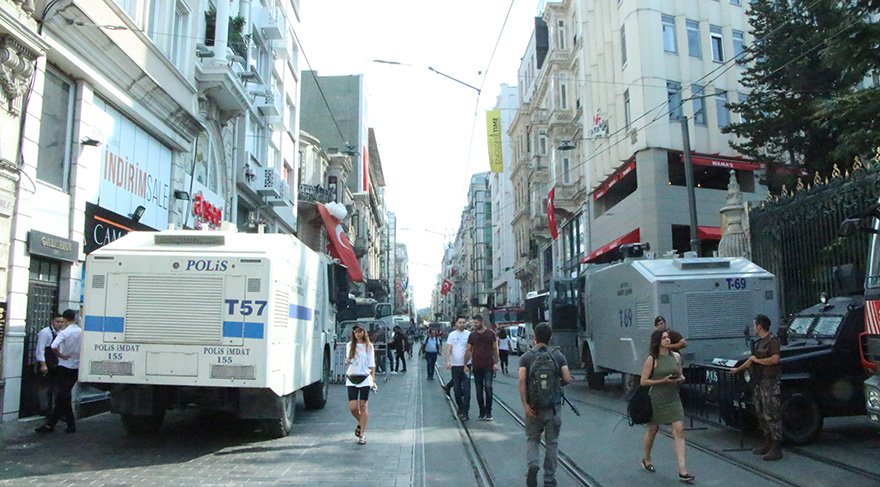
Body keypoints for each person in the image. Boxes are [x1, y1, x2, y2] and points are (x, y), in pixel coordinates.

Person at [519, 323, 572, 487]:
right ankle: (549, 478)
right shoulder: (558, 356)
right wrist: (556, 385)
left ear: (535, 337)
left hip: (534, 407)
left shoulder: (526, 357)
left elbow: (521, 380)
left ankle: (533, 466)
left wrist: (526, 405)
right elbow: (567, 378)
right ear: (550, 338)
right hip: (553, 407)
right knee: (552, 443)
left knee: (532, 439)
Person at [639, 329, 694, 483]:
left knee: (679, 431)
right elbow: (643, 381)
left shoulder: (676, 356)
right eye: (664, 338)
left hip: (673, 398)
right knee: (652, 430)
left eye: (668, 337)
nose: (668, 340)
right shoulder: (652, 359)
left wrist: (680, 379)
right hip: (657, 398)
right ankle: (646, 458)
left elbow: (680, 374)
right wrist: (661, 381)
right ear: (658, 342)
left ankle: (683, 470)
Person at [731, 314, 783, 461]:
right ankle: (767, 441)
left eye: (755, 325)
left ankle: (776, 445)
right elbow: (750, 361)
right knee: (760, 413)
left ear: (760, 326)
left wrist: (758, 361)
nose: (753, 328)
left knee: (771, 414)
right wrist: (737, 370)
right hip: (759, 382)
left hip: (770, 382)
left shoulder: (772, 340)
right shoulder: (759, 343)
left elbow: (775, 359)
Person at [36, 309, 81, 434]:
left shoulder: (64, 333)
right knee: (64, 396)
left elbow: (53, 346)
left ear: (65, 319)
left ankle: (54, 424)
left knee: (62, 396)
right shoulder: (81, 332)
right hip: (76, 367)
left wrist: (60, 355)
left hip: (64, 366)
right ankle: (60, 424)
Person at [345, 325, 378, 445]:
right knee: (353, 407)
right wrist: (347, 360)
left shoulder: (369, 346)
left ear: (364, 333)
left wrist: (373, 380)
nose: (357, 334)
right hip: (352, 377)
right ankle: (362, 423)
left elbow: (372, 364)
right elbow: (347, 360)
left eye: (359, 332)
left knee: (363, 406)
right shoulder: (349, 345)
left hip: (364, 378)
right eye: (355, 332)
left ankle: (362, 434)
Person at [466, 314, 499, 421]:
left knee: (488, 387)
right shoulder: (472, 335)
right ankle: (482, 412)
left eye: (476, 323)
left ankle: (489, 412)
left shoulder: (491, 334)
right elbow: (469, 349)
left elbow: (495, 348)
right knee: (479, 390)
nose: (474, 325)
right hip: (476, 366)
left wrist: (495, 362)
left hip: (488, 365)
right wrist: (469, 360)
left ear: (481, 322)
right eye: (474, 323)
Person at [34, 313, 65, 416]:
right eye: (58, 322)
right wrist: (43, 365)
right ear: (52, 321)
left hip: (56, 363)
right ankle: (44, 408)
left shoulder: (61, 333)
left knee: (57, 387)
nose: (60, 324)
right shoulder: (45, 332)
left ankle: (55, 409)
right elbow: (40, 349)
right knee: (44, 386)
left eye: (62, 322)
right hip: (46, 362)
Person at [444, 315, 471, 421]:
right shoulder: (452, 335)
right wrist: (448, 361)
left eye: (464, 322)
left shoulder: (469, 335)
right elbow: (448, 349)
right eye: (460, 322)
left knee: (467, 390)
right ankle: (460, 407)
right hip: (455, 366)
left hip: (466, 366)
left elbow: (471, 349)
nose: (462, 324)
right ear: (456, 323)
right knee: (457, 390)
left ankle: (465, 412)